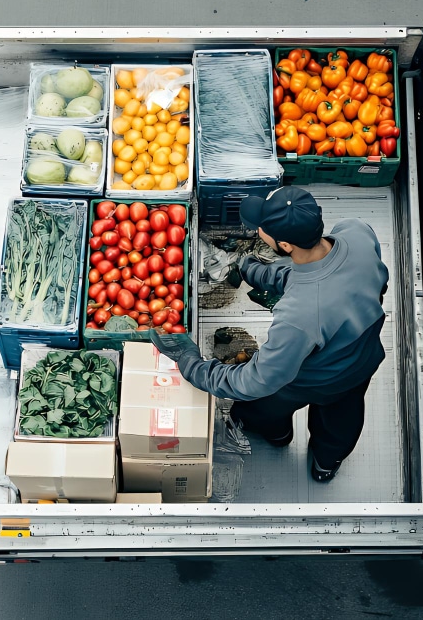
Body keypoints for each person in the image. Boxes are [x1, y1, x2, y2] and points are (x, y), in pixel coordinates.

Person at [151, 186, 389, 482]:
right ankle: (327, 463)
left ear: (286, 245)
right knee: (342, 419)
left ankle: (279, 435)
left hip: (313, 377)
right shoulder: (357, 233)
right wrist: (252, 270)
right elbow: (335, 276)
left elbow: (256, 381)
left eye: (261, 229)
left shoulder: (297, 317)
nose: (257, 231)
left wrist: (191, 364)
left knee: (261, 409)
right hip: (363, 359)